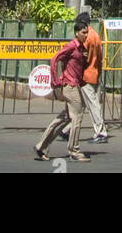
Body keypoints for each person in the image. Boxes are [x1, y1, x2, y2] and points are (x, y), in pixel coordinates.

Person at [34, 20, 90, 163]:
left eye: (87, 32)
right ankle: (74, 150)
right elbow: (55, 59)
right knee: (77, 116)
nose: (86, 35)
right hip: (69, 86)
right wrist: (55, 80)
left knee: (65, 118)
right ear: (77, 33)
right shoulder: (71, 46)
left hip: (74, 85)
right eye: (83, 32)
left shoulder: (81, 48)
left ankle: (41, 146)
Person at [75, 12, 108, 144]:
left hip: (86, 74)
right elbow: (99, 57)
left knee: (92, 104)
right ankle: (67, 130)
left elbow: (82, 57)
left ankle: (101, 132)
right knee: (79, 104)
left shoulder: (87, 37)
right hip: (95, 72)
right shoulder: (96, 36)